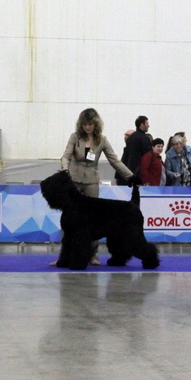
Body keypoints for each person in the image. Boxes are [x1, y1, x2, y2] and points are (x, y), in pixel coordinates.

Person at [57, 108, 134, 265]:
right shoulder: (75, 137)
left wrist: (130, 176)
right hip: (74, 182)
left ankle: (92, 255)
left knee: (93, 221)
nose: (87, 127)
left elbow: (114, 160)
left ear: (96, 124)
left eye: (90, 124)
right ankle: (64, 256)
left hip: (92, 182)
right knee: (69, 220)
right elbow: (66, 156)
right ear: (81, 124)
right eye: (85, 124)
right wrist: (65, 169)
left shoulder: (102, 140)